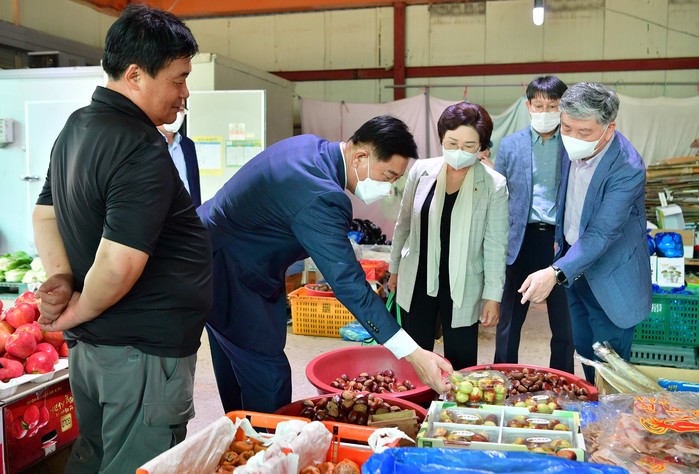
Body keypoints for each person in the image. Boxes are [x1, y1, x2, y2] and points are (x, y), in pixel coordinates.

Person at [31, 5, 212, 472]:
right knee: (139, 463)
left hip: (98, 350)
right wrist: (75, 309)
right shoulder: (139, 145)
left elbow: (44, 214)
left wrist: (62, 279)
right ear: (135, 75)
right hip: (140, 354)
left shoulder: (78, 126)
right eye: (178, 79)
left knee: (93, 455)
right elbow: (118, 264)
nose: (185, 94)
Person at [197, 115, 454, 413]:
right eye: (388, 176)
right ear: (360, 157)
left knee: (237, 359)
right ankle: (266, 438)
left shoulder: (310, 147)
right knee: (267, 374)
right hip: (231, 271)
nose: (389, 188)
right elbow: (349, 285)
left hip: (218, 254)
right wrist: (414, 354)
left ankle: (239, 427)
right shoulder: (321, 195)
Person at [519, 82, 652, 382]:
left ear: (608, 129)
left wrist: (555, 272)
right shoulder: (570, 146)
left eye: (584, 132)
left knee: (611, 372)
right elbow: (568, 198)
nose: (573, 138)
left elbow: (602, 233)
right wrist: (561, 245)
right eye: (567, 128)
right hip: (577, 271)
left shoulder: (627, 168)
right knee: (585, 353)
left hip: (611, 281)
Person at [387, 102, 509, 371]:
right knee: (415, 357)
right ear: (442, 139)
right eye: (452, 143)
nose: (458, 151)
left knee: (461, 361)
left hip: (464, 283)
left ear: (481, 147)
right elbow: (403, 224)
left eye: (468, 146)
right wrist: (394, 267)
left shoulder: (493, 184)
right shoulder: (421, 171)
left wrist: (492, 295)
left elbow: (495, 244)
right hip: (417, 277)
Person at [494, 76, 574, 373]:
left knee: (564, 324)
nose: (544, 112)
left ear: (562, 108)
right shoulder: (510, 145)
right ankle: (503, 378)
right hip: (521, 240)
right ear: (528, 106)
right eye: (538, 106)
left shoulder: (573, 145)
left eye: (552, 106)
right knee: (509, 321)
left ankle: (562, 381)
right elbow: (499, 196)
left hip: (560, 243)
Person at [158, 105, 202, 207]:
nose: (178, 114)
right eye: (174, 108)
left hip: (187, 212)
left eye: (181, 109)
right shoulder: (145, 142)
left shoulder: (188, 145)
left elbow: (194, 185)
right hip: (158, 212)